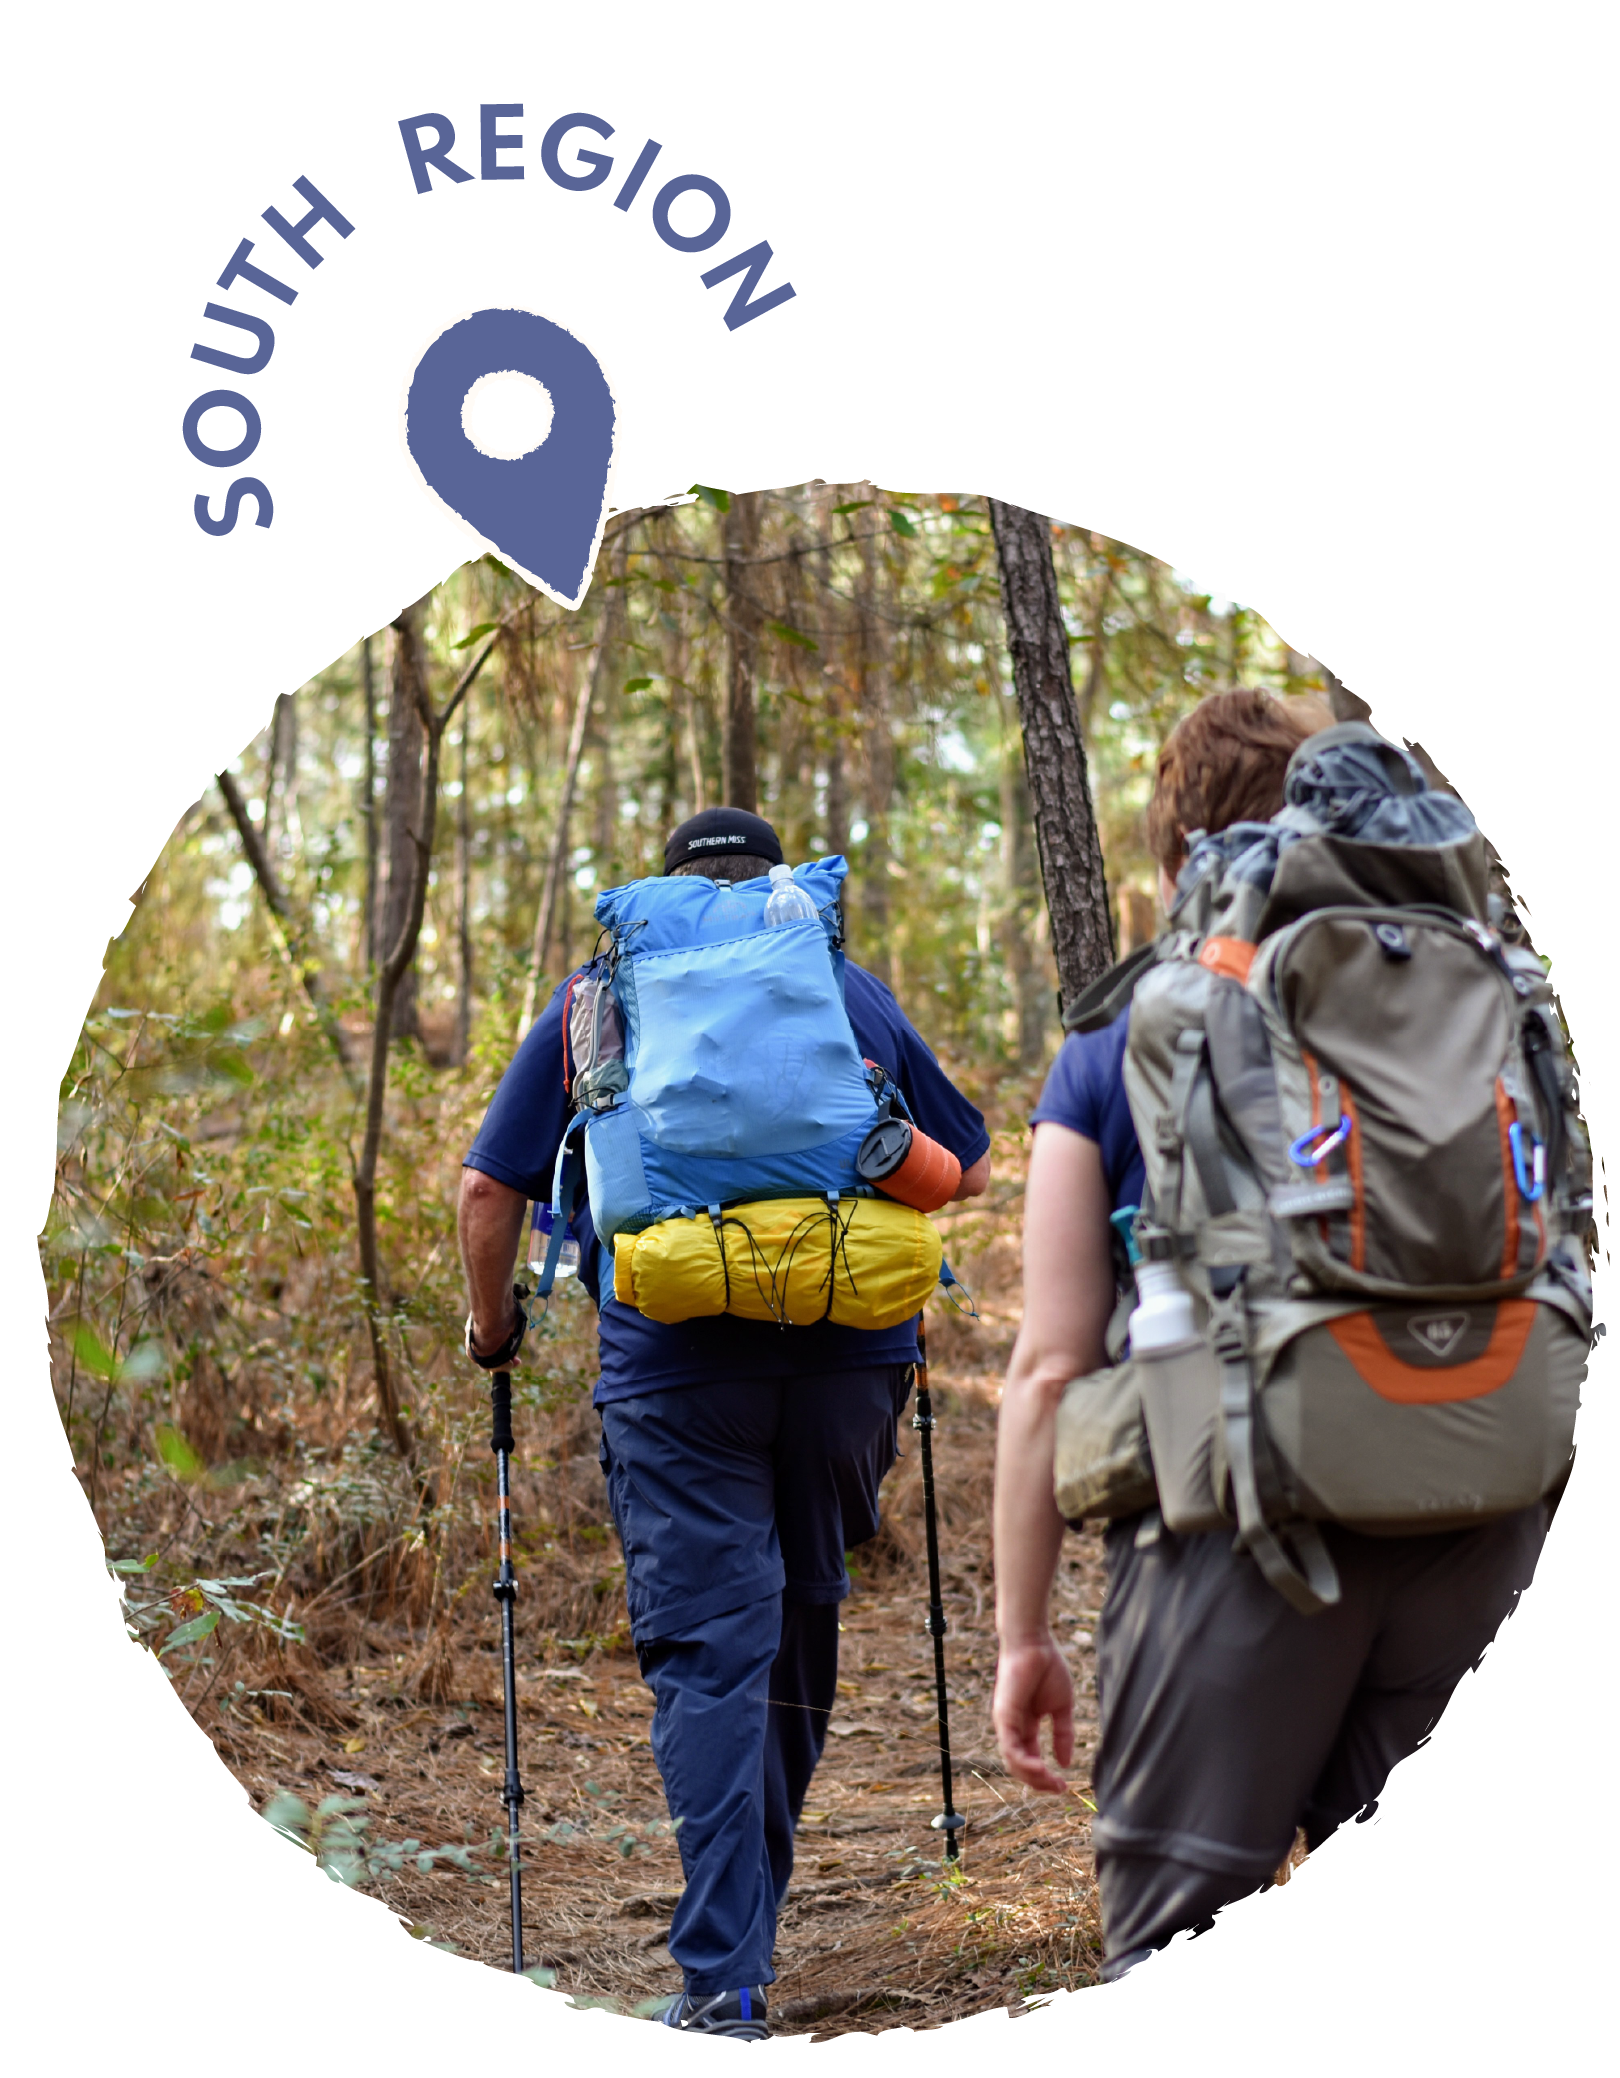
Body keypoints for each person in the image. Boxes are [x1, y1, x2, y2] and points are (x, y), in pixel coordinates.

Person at [990, 690, 1548, 1981]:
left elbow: (1050, 1365)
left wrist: (1025, 1633)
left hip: (1243, 1533)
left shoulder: (1126, 1032)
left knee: (1178, 1951)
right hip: (1483, 1503)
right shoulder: (1476, 993)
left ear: (1180, 853)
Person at [458, 807, 991, 2040]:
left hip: (675, 1367)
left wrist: (494, 1330)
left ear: (666, 890)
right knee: (800, 1622)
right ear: (774, 884)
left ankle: (726, 1973)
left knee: (710, 1651)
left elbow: (489, 1188)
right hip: (851, 1358)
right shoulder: (842, 986)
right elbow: (961, 1161)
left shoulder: (600, 994)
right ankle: (748, 1926)